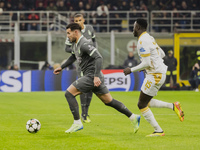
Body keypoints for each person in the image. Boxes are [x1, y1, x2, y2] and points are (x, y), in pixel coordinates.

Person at [53, 23, 141, 133]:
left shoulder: (84, 43)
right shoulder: (75, 44)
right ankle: (133, 117)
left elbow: (99, 57)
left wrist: (94, 76)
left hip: (91, 76)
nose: (67, 36)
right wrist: (61, 67)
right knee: (109, 101)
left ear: (76, 32)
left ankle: (77, 123)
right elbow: (73, 57)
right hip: (94, 77)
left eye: (68, 33)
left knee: (69, 93)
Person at [123, 19, 184, 137]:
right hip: (157, 73)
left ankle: (158, 131)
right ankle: (173, 106)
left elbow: (146, 62)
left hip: (155, 75)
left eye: (134, 27)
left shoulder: (142, 41)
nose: (133, 29)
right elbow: (161, 54)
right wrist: (148, 64)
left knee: (141, 104)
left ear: (139, 27)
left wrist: (131, 70)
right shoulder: (149, 37)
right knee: (146, 102)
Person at [65, 14, 97, 123]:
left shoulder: (90, 29)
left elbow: (94, 41)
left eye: (80, 20)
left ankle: (86, 112)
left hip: (92, 63)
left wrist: (93, 50)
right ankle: (83, 113)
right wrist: (79, 50)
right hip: (82, 65)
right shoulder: (73, 32)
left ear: (83, 20)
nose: (78, 22)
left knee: (91, 88)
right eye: (76, 20)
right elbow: (67, 48)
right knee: (83, 88)